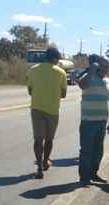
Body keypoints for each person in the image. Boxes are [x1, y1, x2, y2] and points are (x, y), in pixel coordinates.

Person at [26, 46, 67, 179]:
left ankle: (39, 168)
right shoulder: (61, 72)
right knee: (49, 139)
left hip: (36, 109)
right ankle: (45, 161)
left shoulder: (33, 70)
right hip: (53, 110)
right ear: (55, 58)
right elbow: (63, 94)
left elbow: (30, 91)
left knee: (38, 139)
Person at [76, 55, 109, 186]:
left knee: (98, 150)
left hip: (102, 121)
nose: (106, 69)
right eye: (103, 66)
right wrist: (91, 70)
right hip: (88, 121)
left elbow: (108, 101)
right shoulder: (87, 76)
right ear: (96, 66)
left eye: (107, 67)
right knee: (86, 150)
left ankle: (94, 174)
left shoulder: (107, 81)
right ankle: (84, 178)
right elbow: (82, 85)